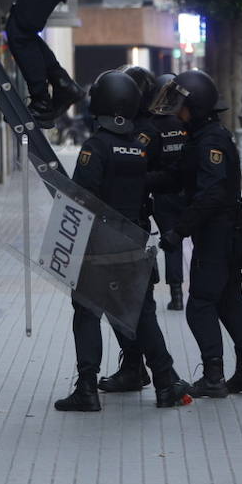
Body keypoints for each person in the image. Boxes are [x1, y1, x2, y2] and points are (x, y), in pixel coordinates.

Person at [54, 70, 193, 412]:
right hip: (134, 240)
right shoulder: (138, 149)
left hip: (98, 244)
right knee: (143, 315)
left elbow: (81, 198)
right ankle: (165, 382)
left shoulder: (94, 147)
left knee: (87, 313)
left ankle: (86, 388)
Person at [150, 69, 242, 398]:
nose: (177, 110)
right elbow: (178, 177)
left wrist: (179, 231)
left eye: (181, 104)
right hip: (225, 233)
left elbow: (211, 193)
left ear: (195, 106)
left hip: (218, 234)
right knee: (229, 302)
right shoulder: (203, 136)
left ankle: (214, 376)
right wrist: (136, 179)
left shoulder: (210, 140)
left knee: (199, 305)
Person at [96, 65, 170, 393]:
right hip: (125, 226)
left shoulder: (144, 134)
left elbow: (162, 175)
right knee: (124, 305)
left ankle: (157, 374)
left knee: (137, 306)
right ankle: (135, 366)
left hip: (128, 226)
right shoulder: (129, 131)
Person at [152, 73, 190, 311]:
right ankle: (197, 291)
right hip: (189, 192)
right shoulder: (188, 122)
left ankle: (176, 296)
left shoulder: (154, 125)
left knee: (171, 242)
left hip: (163, 193)